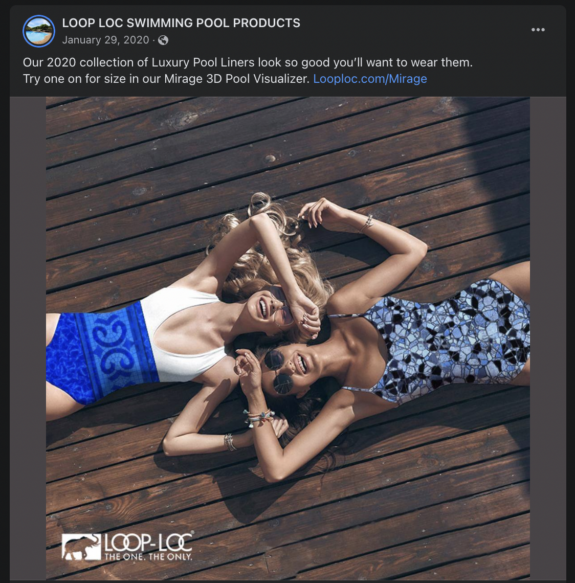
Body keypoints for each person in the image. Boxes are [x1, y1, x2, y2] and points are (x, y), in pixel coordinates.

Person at [233, 198, 531, 483]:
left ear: (287, 345)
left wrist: (348, 218)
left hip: (496, 299)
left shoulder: (345, 307)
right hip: (507, 359)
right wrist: (255, 397)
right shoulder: (349, 401)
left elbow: (413, 251)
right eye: (282, 383)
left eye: (274, 360)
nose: (288, 369)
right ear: (299, 393)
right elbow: (277, 469)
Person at [46, 193, 333, 430]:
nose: (277, 304)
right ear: (270, 284)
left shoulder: (223, 369)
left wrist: (249, 438)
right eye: (278, 294)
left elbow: (178, 440)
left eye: (285, 315)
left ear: (275, 334)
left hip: (72, 387)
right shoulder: (203, 284)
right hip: (64, 330)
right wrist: (294, 294)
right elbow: (259, 222)